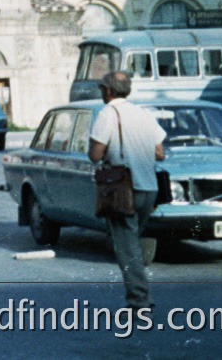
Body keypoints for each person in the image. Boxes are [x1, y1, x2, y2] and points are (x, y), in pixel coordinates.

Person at [88, 69, 167, 310]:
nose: (102, 93)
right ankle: (140, 293)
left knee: (127, 247)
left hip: (124, 189)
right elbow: (160, 153)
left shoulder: (107, 113)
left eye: (102, 89)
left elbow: (95, 155)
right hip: (150, 187)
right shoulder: (143, 113)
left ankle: (139, 301)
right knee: (131, 241)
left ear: (109, 91)